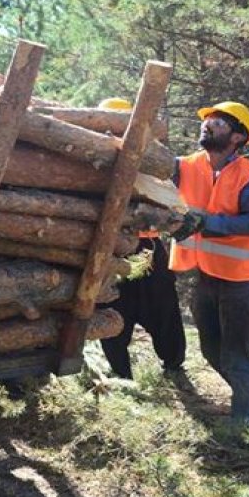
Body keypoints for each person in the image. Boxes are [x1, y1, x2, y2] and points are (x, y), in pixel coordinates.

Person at [169, 101, 249, 426]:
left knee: (237, 354)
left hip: (238, 281)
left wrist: (208, 222)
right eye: (208, 120)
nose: (208, 125)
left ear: (238, 137)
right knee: (210, 350)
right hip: (203, 274)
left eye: (219, 122)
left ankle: (243, 425)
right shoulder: (184, 165)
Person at [94, 97, 187, 381]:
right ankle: (121, 373)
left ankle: (173, 364)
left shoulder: (151, 164)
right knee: (111, 306)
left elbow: (174, 206)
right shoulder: (90, 161)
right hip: (107, 251)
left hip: (145, 250)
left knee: (161, 308)